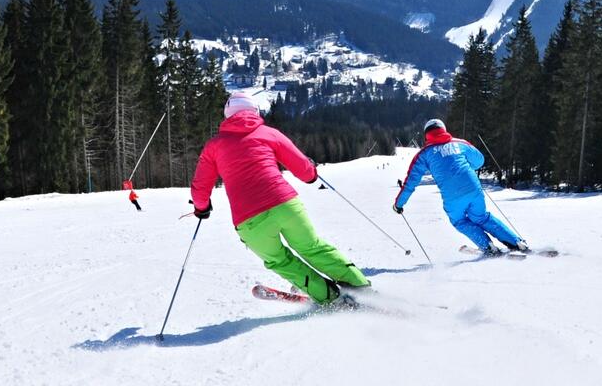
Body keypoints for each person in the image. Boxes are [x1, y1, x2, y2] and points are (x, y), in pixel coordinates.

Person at [190, 92, 369, 307]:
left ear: (227, 114)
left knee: (279, 260)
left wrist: (202, 208)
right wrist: (311, 174)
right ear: (255, 111)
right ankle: (359, 286)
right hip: (285, 204)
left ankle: (329, 298)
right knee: (312, 247)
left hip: (249, 219)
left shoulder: (214, 146)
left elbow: (199, 188)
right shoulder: (269, 133)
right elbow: (304, 169)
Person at [393, 119, 526, 256]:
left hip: (452, 196)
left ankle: (488, 246)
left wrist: (399, 204)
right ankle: (516, 242)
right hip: (473, 188)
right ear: (443, 129)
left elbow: (410, 183)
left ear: (426, 134)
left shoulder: (423, 154)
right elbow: (479, 160)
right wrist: (465, 168)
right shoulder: (459, 143)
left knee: (460, 221)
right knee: (482, 218)